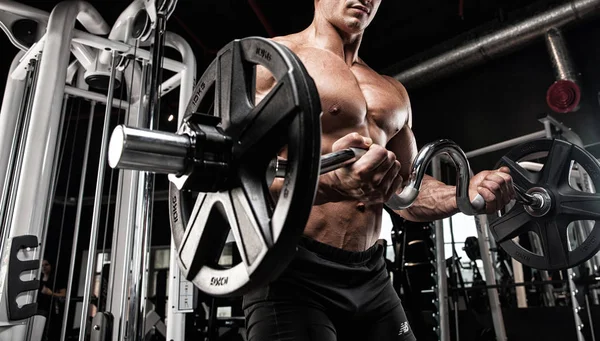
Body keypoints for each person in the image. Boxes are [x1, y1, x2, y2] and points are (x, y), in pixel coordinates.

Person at [242, 0, 516, 340]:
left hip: (371, 275)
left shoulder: (392, 91)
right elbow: (237, 174)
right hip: (293, 273)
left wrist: (463, 193)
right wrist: (333, 183)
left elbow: (404, 192)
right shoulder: (271, 62)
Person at [37, 259, 66, 340]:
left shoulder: (57, 278)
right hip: (38, 309)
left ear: (51, 266)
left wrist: (51, 293)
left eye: (46, 265)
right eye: (42, 265)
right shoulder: (38, 278)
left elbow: (64, 295)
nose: (44, 267)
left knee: (48, 332)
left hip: (50, 310)